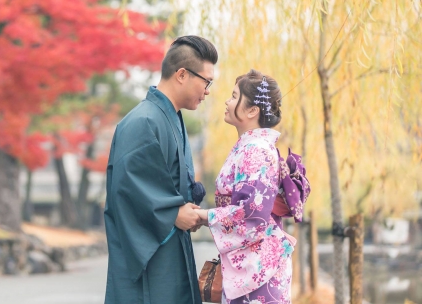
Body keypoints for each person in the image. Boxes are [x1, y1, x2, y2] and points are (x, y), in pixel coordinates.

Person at [104, 36, 218, 304]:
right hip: (149, 258)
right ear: (181, 75)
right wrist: (171, 213)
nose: (208, 90)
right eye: (207, 81)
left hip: (170, 246)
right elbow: (128, 190)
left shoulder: (170, 118)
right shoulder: (142, 121)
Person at [195, 70, 309, 304]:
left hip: (258, 270)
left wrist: (204, 217)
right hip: (253, 263)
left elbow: (253, 214)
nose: (227, 102)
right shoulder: (252, 146)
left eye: (234, 96)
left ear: (252, 110)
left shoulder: (256, 149)